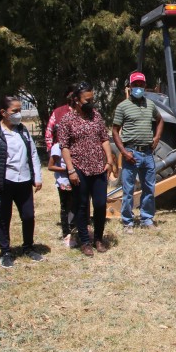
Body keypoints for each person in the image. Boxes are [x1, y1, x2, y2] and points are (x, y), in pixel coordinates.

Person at [0, 96, 43, 268]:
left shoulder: (23, 131)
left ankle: (28, 247)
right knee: (3, 217)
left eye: (19, 110)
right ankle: (6, 252)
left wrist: (37, 177)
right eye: (14, 111)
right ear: (3, 113)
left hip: (23, 180)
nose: (18, 114)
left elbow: (33, 154)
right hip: (4, 182)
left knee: (28, 215)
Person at [57, 83, 115, 256]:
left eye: (92, 99)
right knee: (81, 205)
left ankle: (98, 238)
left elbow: (104, 139)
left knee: (99, 204)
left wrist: (110, 160)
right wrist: (71, 170)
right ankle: (85, 241)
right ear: (76, 100)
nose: (91, 102)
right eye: (87, 100)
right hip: (79, 168)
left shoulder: (96, 115)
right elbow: (64, 146)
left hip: (98, 167)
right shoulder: (67, 120)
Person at [111, 72, 164, 233]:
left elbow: (160, 120)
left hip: (148, 153)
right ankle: (127, 221)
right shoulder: (122, 106)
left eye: (141, 85)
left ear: (145, 86)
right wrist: (123, 152)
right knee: (128, 189)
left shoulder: (150, 105)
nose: (139, 88)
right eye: (136, 85)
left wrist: (156, 138)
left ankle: (146, 218)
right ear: (130, 86)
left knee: (149, 187)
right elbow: (115, 131)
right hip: (131, 153)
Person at [47, 124, 75, 247]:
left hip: (75, 180)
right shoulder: (57, 147)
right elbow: (50, 166)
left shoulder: (72, 146)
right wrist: (65, 169)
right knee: (66, 207)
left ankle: (75, 230)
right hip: (64, 182)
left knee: (76, 206)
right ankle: (66, 233)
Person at [44, 85, 74, 154]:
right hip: (60, 153)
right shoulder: (58, 112)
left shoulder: (84, 113)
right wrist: (50, 149)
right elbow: (49, 132)